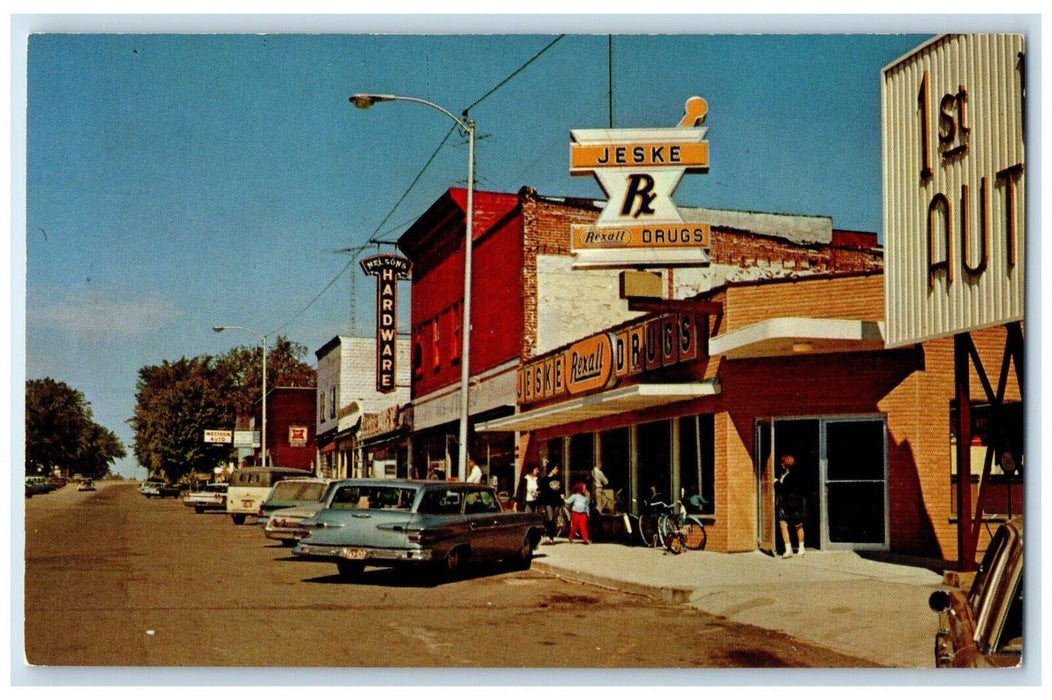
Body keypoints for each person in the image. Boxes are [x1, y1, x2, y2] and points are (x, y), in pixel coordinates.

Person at [775, 453, 806, 558]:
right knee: (783, 525)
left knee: (798, 525)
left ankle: (801, 548)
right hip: (785, 503)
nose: (781, 464)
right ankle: (788, 549)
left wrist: (777, 483)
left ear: (786, 463)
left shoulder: (794, 475)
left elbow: (784, 488)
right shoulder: (784, 473)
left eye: (782, 462)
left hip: (792, 504)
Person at [538, 463, 566, 544]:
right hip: (548, 502)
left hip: (557, 501)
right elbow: (542, 491)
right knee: (550, 519)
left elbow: (562, 488)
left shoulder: (559, 478)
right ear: (551, 469)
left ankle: (552, 537)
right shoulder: (545, 479)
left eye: (557, 469)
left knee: (554, 519)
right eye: (555, 468)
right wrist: (541, 503)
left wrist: (563, 494)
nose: (557, 470)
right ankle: (549, 535)